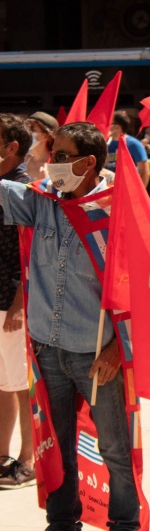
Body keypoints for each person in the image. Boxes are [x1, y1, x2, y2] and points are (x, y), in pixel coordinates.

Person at [0, 121, 140, 531]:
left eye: (60, 154)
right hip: (48, 350)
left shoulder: (118, 209)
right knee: (56, 447)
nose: (50, 161)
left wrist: (119, 349)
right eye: (50, 152)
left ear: (87, 162)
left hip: (97, 354)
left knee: (115, 449)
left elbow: (143, 284)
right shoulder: (42, 203)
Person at [0, 114, 35, 488]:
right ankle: (2, 456)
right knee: (3, 383)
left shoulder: (23, 188)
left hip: (10, 302)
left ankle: (28, 458)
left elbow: (31, 251)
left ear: (11, 148)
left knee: (22, 384)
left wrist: (19, 300)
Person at [106, 111, 150, 187]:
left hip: (127, 189)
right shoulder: (107, 144)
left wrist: (138, 195)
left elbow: (145, 172)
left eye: (110, 123)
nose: (107, 126)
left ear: (117, 127)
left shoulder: (134, 144)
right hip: (109, 190)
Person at [25, 110, 58, 180]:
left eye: (32, 129)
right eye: (26, 129)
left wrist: (47, 182)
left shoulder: (55, 164)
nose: (27, 133)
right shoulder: (22, 161)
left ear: (45, 136)